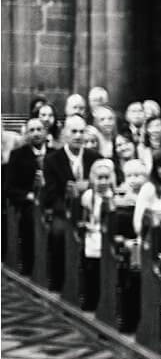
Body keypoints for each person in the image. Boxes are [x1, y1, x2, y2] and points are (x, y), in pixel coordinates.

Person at [41, 115, 100, 289]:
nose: (78, 136)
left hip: (93, 210)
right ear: (65, 133)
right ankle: (60, 282)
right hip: (63, 210)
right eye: (73, 131)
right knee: (59, 232)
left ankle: (92, 285)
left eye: (81, 132)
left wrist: (87, 186)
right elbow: (51, 194)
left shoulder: (95, 157)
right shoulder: (52, 160)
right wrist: (70, 211)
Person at [7, 118, 49, 275]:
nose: (36, 133)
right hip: (27, 204)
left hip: (51, 201)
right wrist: (29, 196)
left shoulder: (55, 154)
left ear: (45, 132)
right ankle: (30, 267)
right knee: (32, 217)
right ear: (26, 134)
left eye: (39, 129)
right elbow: (10, 188)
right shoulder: (17, 155)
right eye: (31, 130)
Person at [79, 158, 117, 311]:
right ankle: (90, 300)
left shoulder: (113, 196)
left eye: (106, 178)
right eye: (99, 178)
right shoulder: (89, 196)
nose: (103, 182)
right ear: (93, 178)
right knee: (91, 270)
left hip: (107, 236)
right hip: (92, 234)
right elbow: (85, 216)